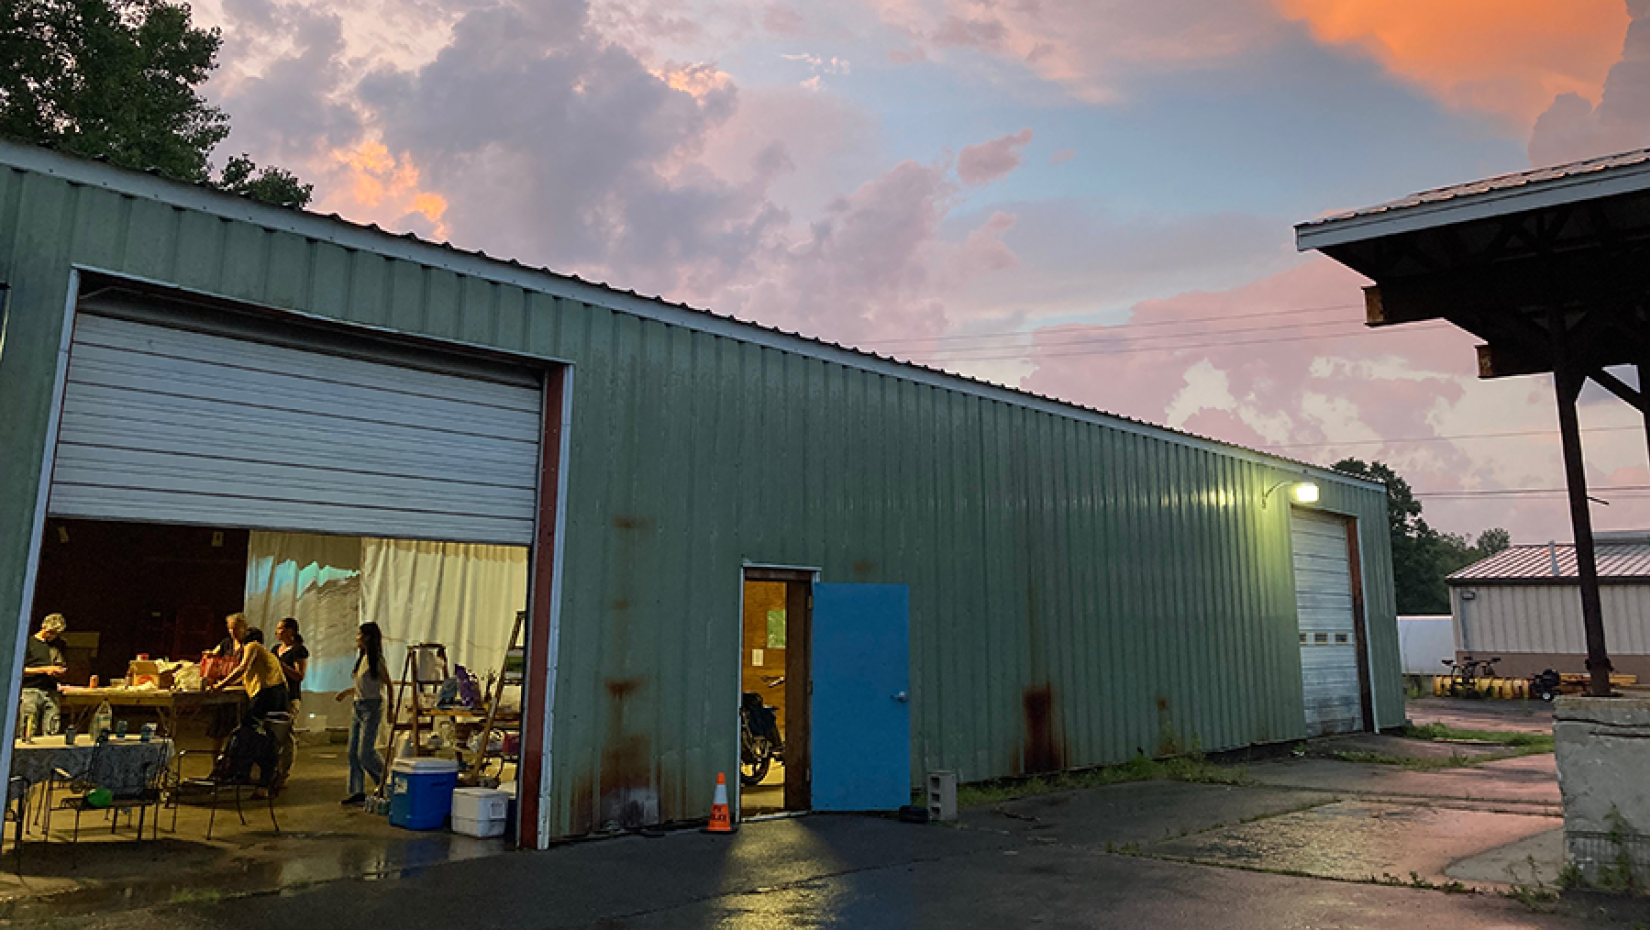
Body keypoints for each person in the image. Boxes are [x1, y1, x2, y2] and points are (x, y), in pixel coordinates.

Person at [211, 627, 290, 796]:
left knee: (249, 733)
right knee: (265, 737)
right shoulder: (264, 653)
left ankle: (246, 774)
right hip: (277, 693)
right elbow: (245, 674)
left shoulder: (253, 646)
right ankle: (261, 781)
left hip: (267, 694)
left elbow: (242, 668)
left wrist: (220, 686)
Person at [336, 622, 390, 806]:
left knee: (365, 752)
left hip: (372, 707)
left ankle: (385, 781)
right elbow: (363, 685)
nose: (357, 638)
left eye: (359, 634)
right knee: (352, 752)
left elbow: (386, 683)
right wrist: (347, 693)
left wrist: (390, 709)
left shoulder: (376, 660)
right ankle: (356, 790)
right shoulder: (362, 659)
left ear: (367, 637)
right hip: (358, 706)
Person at [273, 617, 308, 790]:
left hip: (290, 697)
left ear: (290, 631)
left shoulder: (298, 651)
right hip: (275, 696)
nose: (277, 632)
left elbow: (299, 675)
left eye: (281, 629)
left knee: (287, 734)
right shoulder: (275, 649)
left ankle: (284, 773)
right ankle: (272, 769)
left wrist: (281, 666)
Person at [19, 614, 68, 737]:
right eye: (50, 632)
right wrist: (44, 670)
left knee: (52, 728)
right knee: (28, 729)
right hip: (30, 690)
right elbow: (20, 670)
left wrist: (59, 670)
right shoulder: (29, 643)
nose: (52, 636)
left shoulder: (57, 645)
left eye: (55, 633)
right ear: (43, 627)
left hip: (51, 690)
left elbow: (60, 663)